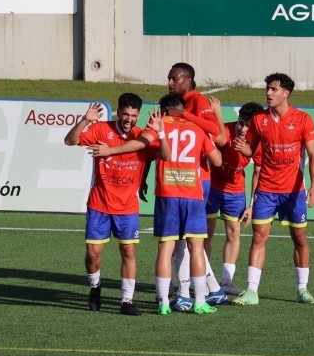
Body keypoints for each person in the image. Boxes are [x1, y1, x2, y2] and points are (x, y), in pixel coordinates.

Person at [91, 93, 223, 315]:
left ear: (162, 111)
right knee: (196, 248)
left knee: (165, 248)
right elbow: (218, 160)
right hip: (193, 195)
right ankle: (200, 301)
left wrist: (111, 151)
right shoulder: (197, 129)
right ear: (181, 109)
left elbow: (139, 144)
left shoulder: (157, 127)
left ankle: (163, 302)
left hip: (167, 195)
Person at [63, 94, 159, 316]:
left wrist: (143, 180)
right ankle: (95, 287)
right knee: (93, 253)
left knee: (128, 250)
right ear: (118, 111)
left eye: (134, 115)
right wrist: (86, 120)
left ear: (139, 115)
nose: (129, 119)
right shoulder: (101, 130)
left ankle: (126, 301)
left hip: (127, 207)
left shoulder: (142, 135)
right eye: (125, 114)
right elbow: (70, 141)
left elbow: (157, 155)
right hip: (99, 204)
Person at [231, 73, 314, 306]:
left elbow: (313, 155)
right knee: (258, 237)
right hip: (267, 190)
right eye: (267, 89)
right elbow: (252, 152)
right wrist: (243, 148)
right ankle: (251, 291)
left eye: (274, 89)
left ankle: (302, 290)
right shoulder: (260, 120)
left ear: (286, 93)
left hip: (293, 192)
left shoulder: (303, 119)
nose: (268, 93)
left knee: (299, 238)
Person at [166, 62, 229, 309]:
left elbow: (220, 137)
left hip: (196, 179)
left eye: (175, 79)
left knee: (183, 238)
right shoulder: (182, 102)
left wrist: (186, 116)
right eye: (169, 78)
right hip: (183, 177)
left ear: (189, 80)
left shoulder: (198, 102)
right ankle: (212, 289)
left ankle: (183, 293)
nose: (170, 83)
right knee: (187, 237)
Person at [204, 102, 263, 296]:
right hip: (212, 186)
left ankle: (227, 281)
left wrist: (252, 205)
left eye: (247, 125)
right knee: (206, 233)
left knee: (234, 232)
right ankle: (203, 278)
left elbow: (257, 173)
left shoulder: (257, 142)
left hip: (236, 190)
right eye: (240, 123)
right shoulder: (224, 131)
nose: (242, 128)